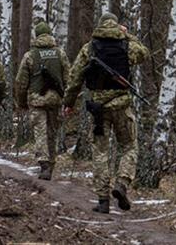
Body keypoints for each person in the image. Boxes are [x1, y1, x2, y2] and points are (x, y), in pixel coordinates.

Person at [62, 12, 149, 214]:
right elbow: (144, 53)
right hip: (122, 105)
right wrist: (128, 36)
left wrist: (69, 101)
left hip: (99, 108)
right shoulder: (127, 45)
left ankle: (103, 200)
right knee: (129, 146)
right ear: (117, 26)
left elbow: (75, 76)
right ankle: (122, 183)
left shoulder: (90, 48)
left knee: (100, 152)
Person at [14, 21, 70, 180]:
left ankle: (44, 164)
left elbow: (21, 82)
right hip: (56, 100)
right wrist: (68, 98)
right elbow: (68, 78)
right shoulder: (60, 54)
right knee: (52, 133)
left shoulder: (30, 55)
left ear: (36, 36)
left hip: (37, 100)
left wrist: (22, 102)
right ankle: (51, 163)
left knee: (40, 132)